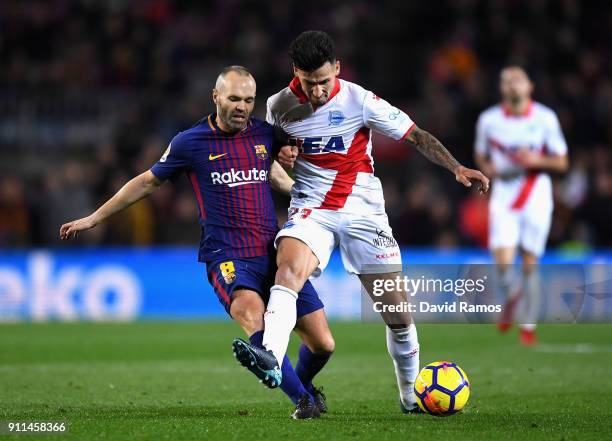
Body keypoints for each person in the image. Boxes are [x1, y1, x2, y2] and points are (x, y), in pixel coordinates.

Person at [232, 31, 489, 414]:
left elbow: (415, 136)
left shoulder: (360, 100)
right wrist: (283, 165)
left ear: (337, 68)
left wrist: (456, 167)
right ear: (295, 73)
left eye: (324, 81)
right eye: (309, 82)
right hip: (311, 210)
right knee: (288, 271)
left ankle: (409, 398)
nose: (318, 91)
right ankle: (269, 353)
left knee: (398, 315)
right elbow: (272, 158)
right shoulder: (278, 106)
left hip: (363, 213)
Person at [60, 66, 335, 420]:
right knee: (253, 318)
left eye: (249, 100)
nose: (242, 107)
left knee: (323, 344)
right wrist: (94, 217)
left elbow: (276, 169)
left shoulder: (264, 134)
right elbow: (146, 182)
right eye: (234, 98)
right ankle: (303, 402)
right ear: (216, 97)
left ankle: (304, 385)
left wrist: (310, 194)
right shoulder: (190, 143)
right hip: (228, 255)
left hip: (275, 253)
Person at [474, 66, 569, 346]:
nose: (513, 85)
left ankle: (528, 326)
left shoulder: (545, 118)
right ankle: (513, 296)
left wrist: (535, 161)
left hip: (536, 195)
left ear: (530, 87)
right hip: (504, 195)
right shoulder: (489, 120)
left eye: (518, 80)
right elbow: (481, 155)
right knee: (503, 263)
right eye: (507, 81)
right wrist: (489, 168)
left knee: (529, 263)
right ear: (502, 89)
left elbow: (562, 161)